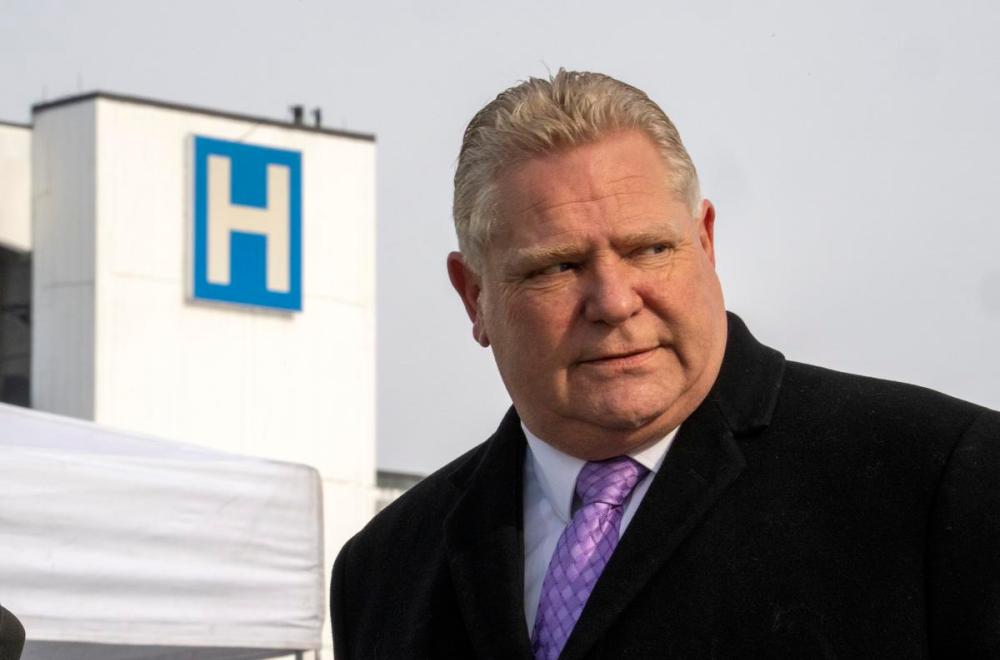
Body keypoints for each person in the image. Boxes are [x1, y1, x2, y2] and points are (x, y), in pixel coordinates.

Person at [331, 70, 1000, 658]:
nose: (615, 302)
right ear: (474, 295)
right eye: (558, 266)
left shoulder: (944, 482)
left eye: (649, 249)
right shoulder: (385, 569)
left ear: (705, 243)